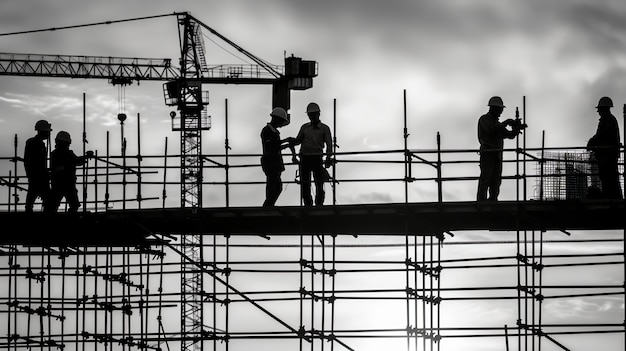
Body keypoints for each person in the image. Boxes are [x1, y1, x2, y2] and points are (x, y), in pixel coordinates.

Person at [476, 96, 526, 201]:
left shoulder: (498, 124)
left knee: (496, 181)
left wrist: (516, 129)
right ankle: (482, 202)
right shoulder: (484, 119)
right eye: (500, 109)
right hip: (488, 154)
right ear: (493, 108)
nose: (501, 112)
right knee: (486, 179)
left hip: (497, 155)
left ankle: (493, 200)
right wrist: (507, 122)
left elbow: (509, 135)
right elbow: (491, 129)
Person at [290, 102, 333, 206]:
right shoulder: (304, 127)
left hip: (317, 158)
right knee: (305, 184)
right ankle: (308, 204)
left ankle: (319, 203)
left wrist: (328, 158)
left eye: (313, 114)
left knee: (319, 183)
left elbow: (329, 144)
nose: (311, 116)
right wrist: (292, 147)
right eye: (310, 115)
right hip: (305, 158)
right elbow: (298, 140)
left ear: (318, 114)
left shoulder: (324, 128)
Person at [586, 96, 623, 199]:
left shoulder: (608, 120)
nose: (598, 112)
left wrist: (592, 142)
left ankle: (611, 198)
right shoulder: (608, 120)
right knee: (610, 178)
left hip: (607, 156)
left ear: (603, 109)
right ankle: (614, 197)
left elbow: (602, 135)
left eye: (600, 110)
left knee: (608, 178)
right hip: (607, 155)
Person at [47, 131, 93, 213]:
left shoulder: (54, 154)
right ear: (67, 142)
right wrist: (86, 157)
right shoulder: (68, 154)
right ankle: (70, 219)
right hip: (68, 183)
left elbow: (75, 161)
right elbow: (77, 161)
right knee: (74, 204)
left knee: (53, 205)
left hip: (57, 183)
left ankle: (52, 220)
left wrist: (84, 158)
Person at [260, 107, 296, 207]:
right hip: (271, 163)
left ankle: (269, 205)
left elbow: (276, 146)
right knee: (273, 187)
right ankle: (268, 207)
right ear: (277, 119)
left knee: (277, 188)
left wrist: (286, 142)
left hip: (274, 163)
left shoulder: (273, 131)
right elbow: (273, 146)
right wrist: (287, 142)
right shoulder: (267, 131)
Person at [24, 119, 53, 212]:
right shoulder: (36, 144)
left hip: (36, 176)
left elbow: (29, 162)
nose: (48, 134)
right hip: (38, 177)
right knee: (47, 201)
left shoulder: (34, 143)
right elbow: (34, 162)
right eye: (47, 132)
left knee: (30, 202)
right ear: (43, 131)